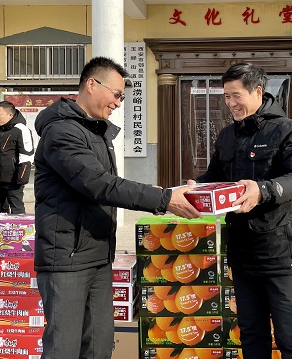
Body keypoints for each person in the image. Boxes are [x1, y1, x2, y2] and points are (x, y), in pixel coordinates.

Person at [33, 56, 200, 359]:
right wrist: (163, 201)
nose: (119, 103)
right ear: (92, 84)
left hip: (96, 253)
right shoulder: (62, 133)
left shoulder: (95, 132)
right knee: (64, 348)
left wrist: (161, 192)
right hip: (66, 258)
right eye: (117, 95)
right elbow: (97, 184)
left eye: (122, 97)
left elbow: (109, 183)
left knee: (99, 345)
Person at [189, 63, 292, 359]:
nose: (231, 103)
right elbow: (215, 177)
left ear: (257, 92)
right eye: (226, 97)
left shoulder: (287, 130)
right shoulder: (227, 136)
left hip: (281, 253)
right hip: (242, 254)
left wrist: (263, 190)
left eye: (236, 95)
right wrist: (195, 187)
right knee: (251, 334)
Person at [0, 101, 34, 214]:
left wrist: (21, 178)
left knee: (16, 208)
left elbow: (27, 155)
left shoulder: (21, 129)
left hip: (14, 179)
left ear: (10, 115)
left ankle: (19, 230)